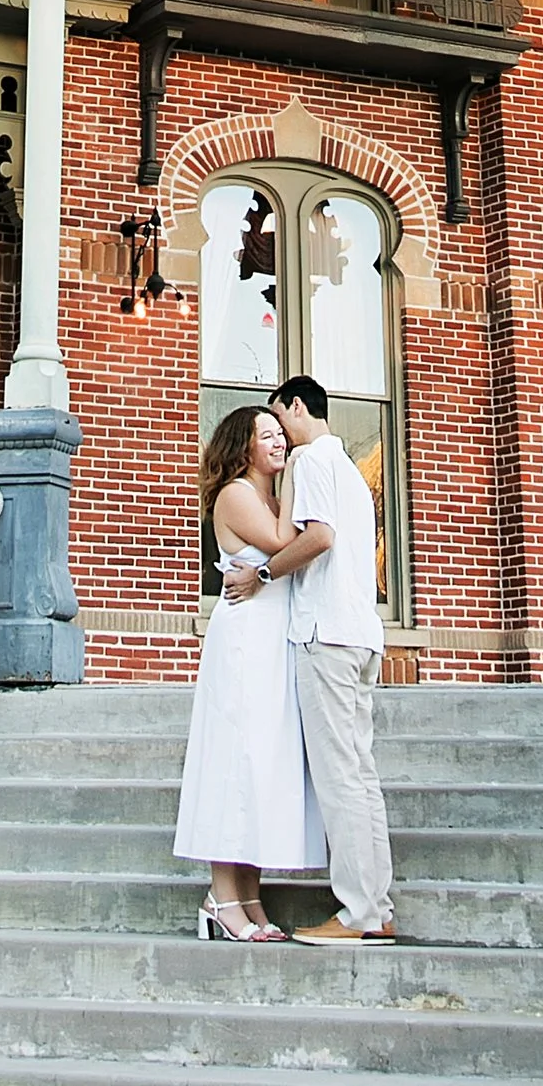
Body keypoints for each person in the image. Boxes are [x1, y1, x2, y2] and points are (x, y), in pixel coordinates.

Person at [226, 372, 395, 943]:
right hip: (361, 635)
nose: (279, 434)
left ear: (297, 407)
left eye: (279, 418)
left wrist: (262, 574)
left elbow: (319, 537)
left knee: (340, 778)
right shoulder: (348, 469)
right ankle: (377, 906)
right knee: (360, 775)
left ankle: (357, 914)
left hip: (326, 635)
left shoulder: (313, 461)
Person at [172, 402, 322, 939]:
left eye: (282, 434)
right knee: (233, 762)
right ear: (244, 447)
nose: (280, 442)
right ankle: (221, 897)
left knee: (259, 764)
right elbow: (284, 542)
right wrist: (299, 472)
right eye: (268, 435)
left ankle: (251, 894)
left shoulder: (271, 498)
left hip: (271, 640)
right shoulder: (236, 494)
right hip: (243, 641)